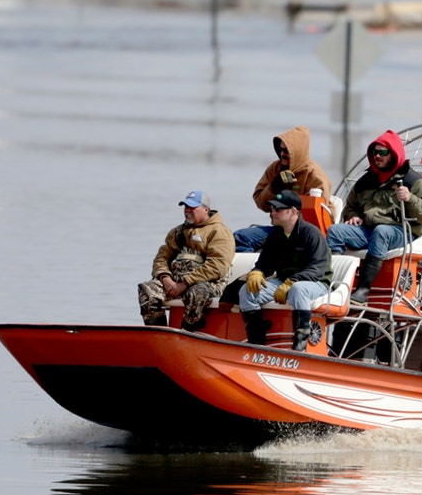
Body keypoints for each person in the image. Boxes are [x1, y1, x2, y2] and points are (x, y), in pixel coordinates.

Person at [326, 130, 422, 304]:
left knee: (382, 232)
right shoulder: (366, 181)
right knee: (336, 231)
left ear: (393, 154)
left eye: (383, 152)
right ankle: (334, 284)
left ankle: (363, 290)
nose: (377, 156)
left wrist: (411, 198)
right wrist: (353, 216)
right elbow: (351, 206)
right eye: (374, 152)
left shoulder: (414, 181)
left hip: (403, 232)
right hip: (369, 230)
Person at [238, 190, 332, 351]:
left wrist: (293, 281)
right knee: (246, 291)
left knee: (298, 289)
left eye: (278, 209)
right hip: (284, 283)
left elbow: (317, 268)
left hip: (316, 284)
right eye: (272, 209)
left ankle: (300, 347)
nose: (273, 213)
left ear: (294, 211)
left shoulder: (312, 234)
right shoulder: (275, 237)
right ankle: (257, 344)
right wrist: (257, 272)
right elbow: (264, 264)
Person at [137, 190, 235, 331]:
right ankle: (159, 334)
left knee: (197, 292)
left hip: (208, 283)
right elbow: (161, 257)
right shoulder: (177, 232)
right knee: (147, 289)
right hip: (175, 282)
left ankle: (188, 332)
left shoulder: (219, 232)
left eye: (192, 207)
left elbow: (218, 266)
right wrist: (166, 279)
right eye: (185, 207)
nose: (187, 211)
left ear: (205, 210)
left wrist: (185, 283)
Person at [233, 125, 332, 253]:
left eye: (286, 151)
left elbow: (317, 215)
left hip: (304, 232)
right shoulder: (275, 169)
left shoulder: (314, 175)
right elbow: (260, 202)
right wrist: (275, 186)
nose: (282, 154)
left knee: (245, 237)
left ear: (296, 152)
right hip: (279, 228)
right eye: (280, 149)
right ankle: (256, 270)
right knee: (239, 237)